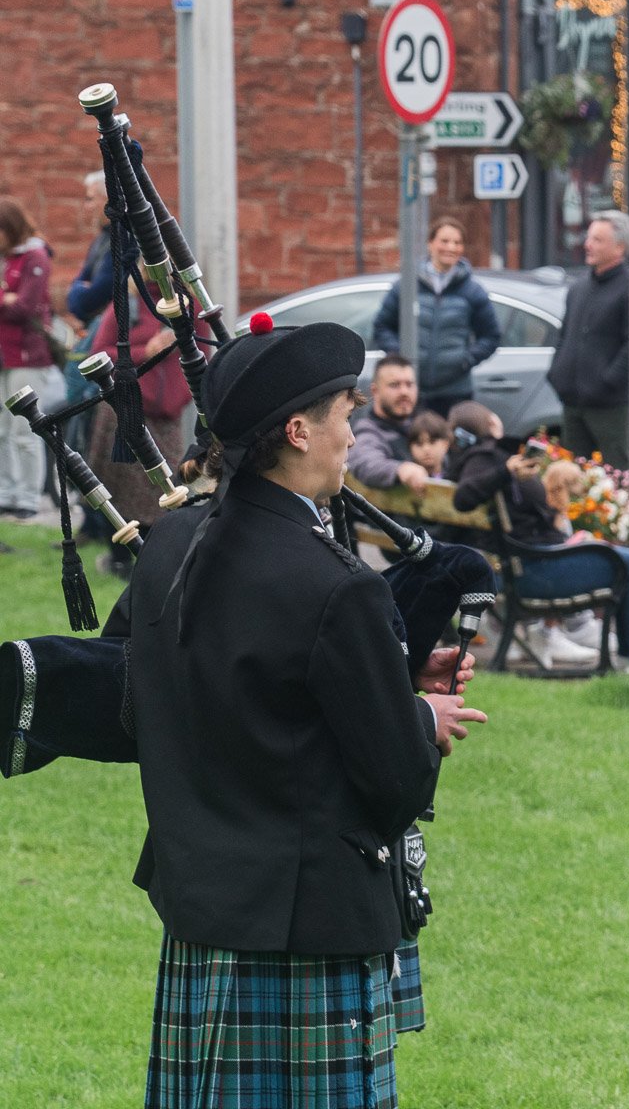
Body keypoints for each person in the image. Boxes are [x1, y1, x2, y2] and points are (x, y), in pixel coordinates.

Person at [101, 317, 486, 1108]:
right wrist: (420, 715)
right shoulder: (340, 586)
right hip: (307, 928)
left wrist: (395, 672)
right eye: (348, 414)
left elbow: (166, 694)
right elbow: (396, 781)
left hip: (203, 907)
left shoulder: (170, 546)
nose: (354, 433)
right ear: (300, 430)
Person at [446, 399, 629, 670]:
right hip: (532, 572)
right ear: (491, 423)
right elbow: (463, 498)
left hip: (520, 567)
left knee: (619, 557)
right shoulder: (486, 459)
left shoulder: (469, 460)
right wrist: (506, 471)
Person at [87, 287, 195, 577]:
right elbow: (99, 352)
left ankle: (156, 560)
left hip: (165, 417)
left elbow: (198, 356)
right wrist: (142, 353)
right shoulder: (127, 303)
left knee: (163, 486)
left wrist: (181, 396)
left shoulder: (187, 305)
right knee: (121, 484)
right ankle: (121, 559)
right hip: (125, 408)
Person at [372, 216, 500, 415]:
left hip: (455, 391)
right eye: (445, 241)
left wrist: (465, 361)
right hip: (412, 390)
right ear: (430, 244)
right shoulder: (407, 286)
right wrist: (401, 356)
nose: (451, 247)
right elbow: (382, 327)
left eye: (457, 243)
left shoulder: (473, 291)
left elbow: (491, 336)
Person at [547, 209, 629, 470]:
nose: (587, 245)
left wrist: (608, 381)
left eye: (597, 240)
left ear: (620, 247)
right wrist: (557, 372)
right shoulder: (579, 287)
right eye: (589, 238)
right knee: (572, 475)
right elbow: (565, 335)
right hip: (573, 402)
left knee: (617, 474)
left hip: (610, 406)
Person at [1, 197, 60, 520]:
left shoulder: (35, 257)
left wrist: (8, 298)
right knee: (3, 430)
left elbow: (24, 307)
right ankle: (7, 492)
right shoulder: (7, 260)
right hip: (5, 356)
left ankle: (28, 497)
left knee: (24, 430)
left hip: (28, 356)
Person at [348, 353, 431, 494]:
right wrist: (401, 470)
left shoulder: (425, 425)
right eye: (395, 385)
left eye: (409, 384)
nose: (404, 392)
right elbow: (367, 463)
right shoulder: (368, 431)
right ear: (375, 391)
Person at [67, 171, 116, 331]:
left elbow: (94, 296)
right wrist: (79, 290)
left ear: (109, 198)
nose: (87, 207)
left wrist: (80, 291)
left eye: (91, 199)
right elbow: (78, 284)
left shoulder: (123, 239)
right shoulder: (102, 239)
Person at [406, 410, 452, 479]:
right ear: (410, 447)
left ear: (445, 444)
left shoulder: (458, 476)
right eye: (419, 444)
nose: (426, 449)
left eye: (432, 442)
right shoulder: (404, 481)